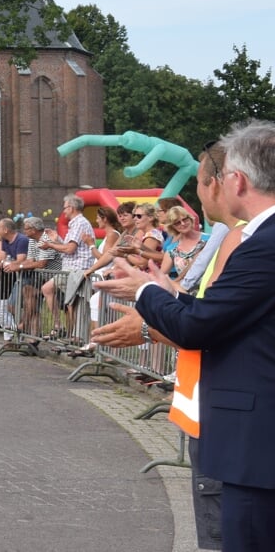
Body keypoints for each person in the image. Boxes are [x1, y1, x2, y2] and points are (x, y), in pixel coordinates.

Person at [93, 131, 273, 550]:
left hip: (254, 448)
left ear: (238, 182)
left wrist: (144, 293)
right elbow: (234, 314)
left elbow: (202, 327)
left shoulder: (261, 244)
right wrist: (170, 295)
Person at [42, 195, 96, 340]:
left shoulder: (79, 223)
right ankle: (62, 328)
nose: (63, 211)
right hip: (70, 269)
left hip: (77, 269)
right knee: (49, 289)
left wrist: (51, 245)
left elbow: (70, 249)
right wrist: (57, 239)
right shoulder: (75, 224)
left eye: (65, 207)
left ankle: (75, 337)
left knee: (74, 304)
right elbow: (69, 247)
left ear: (71, 208)